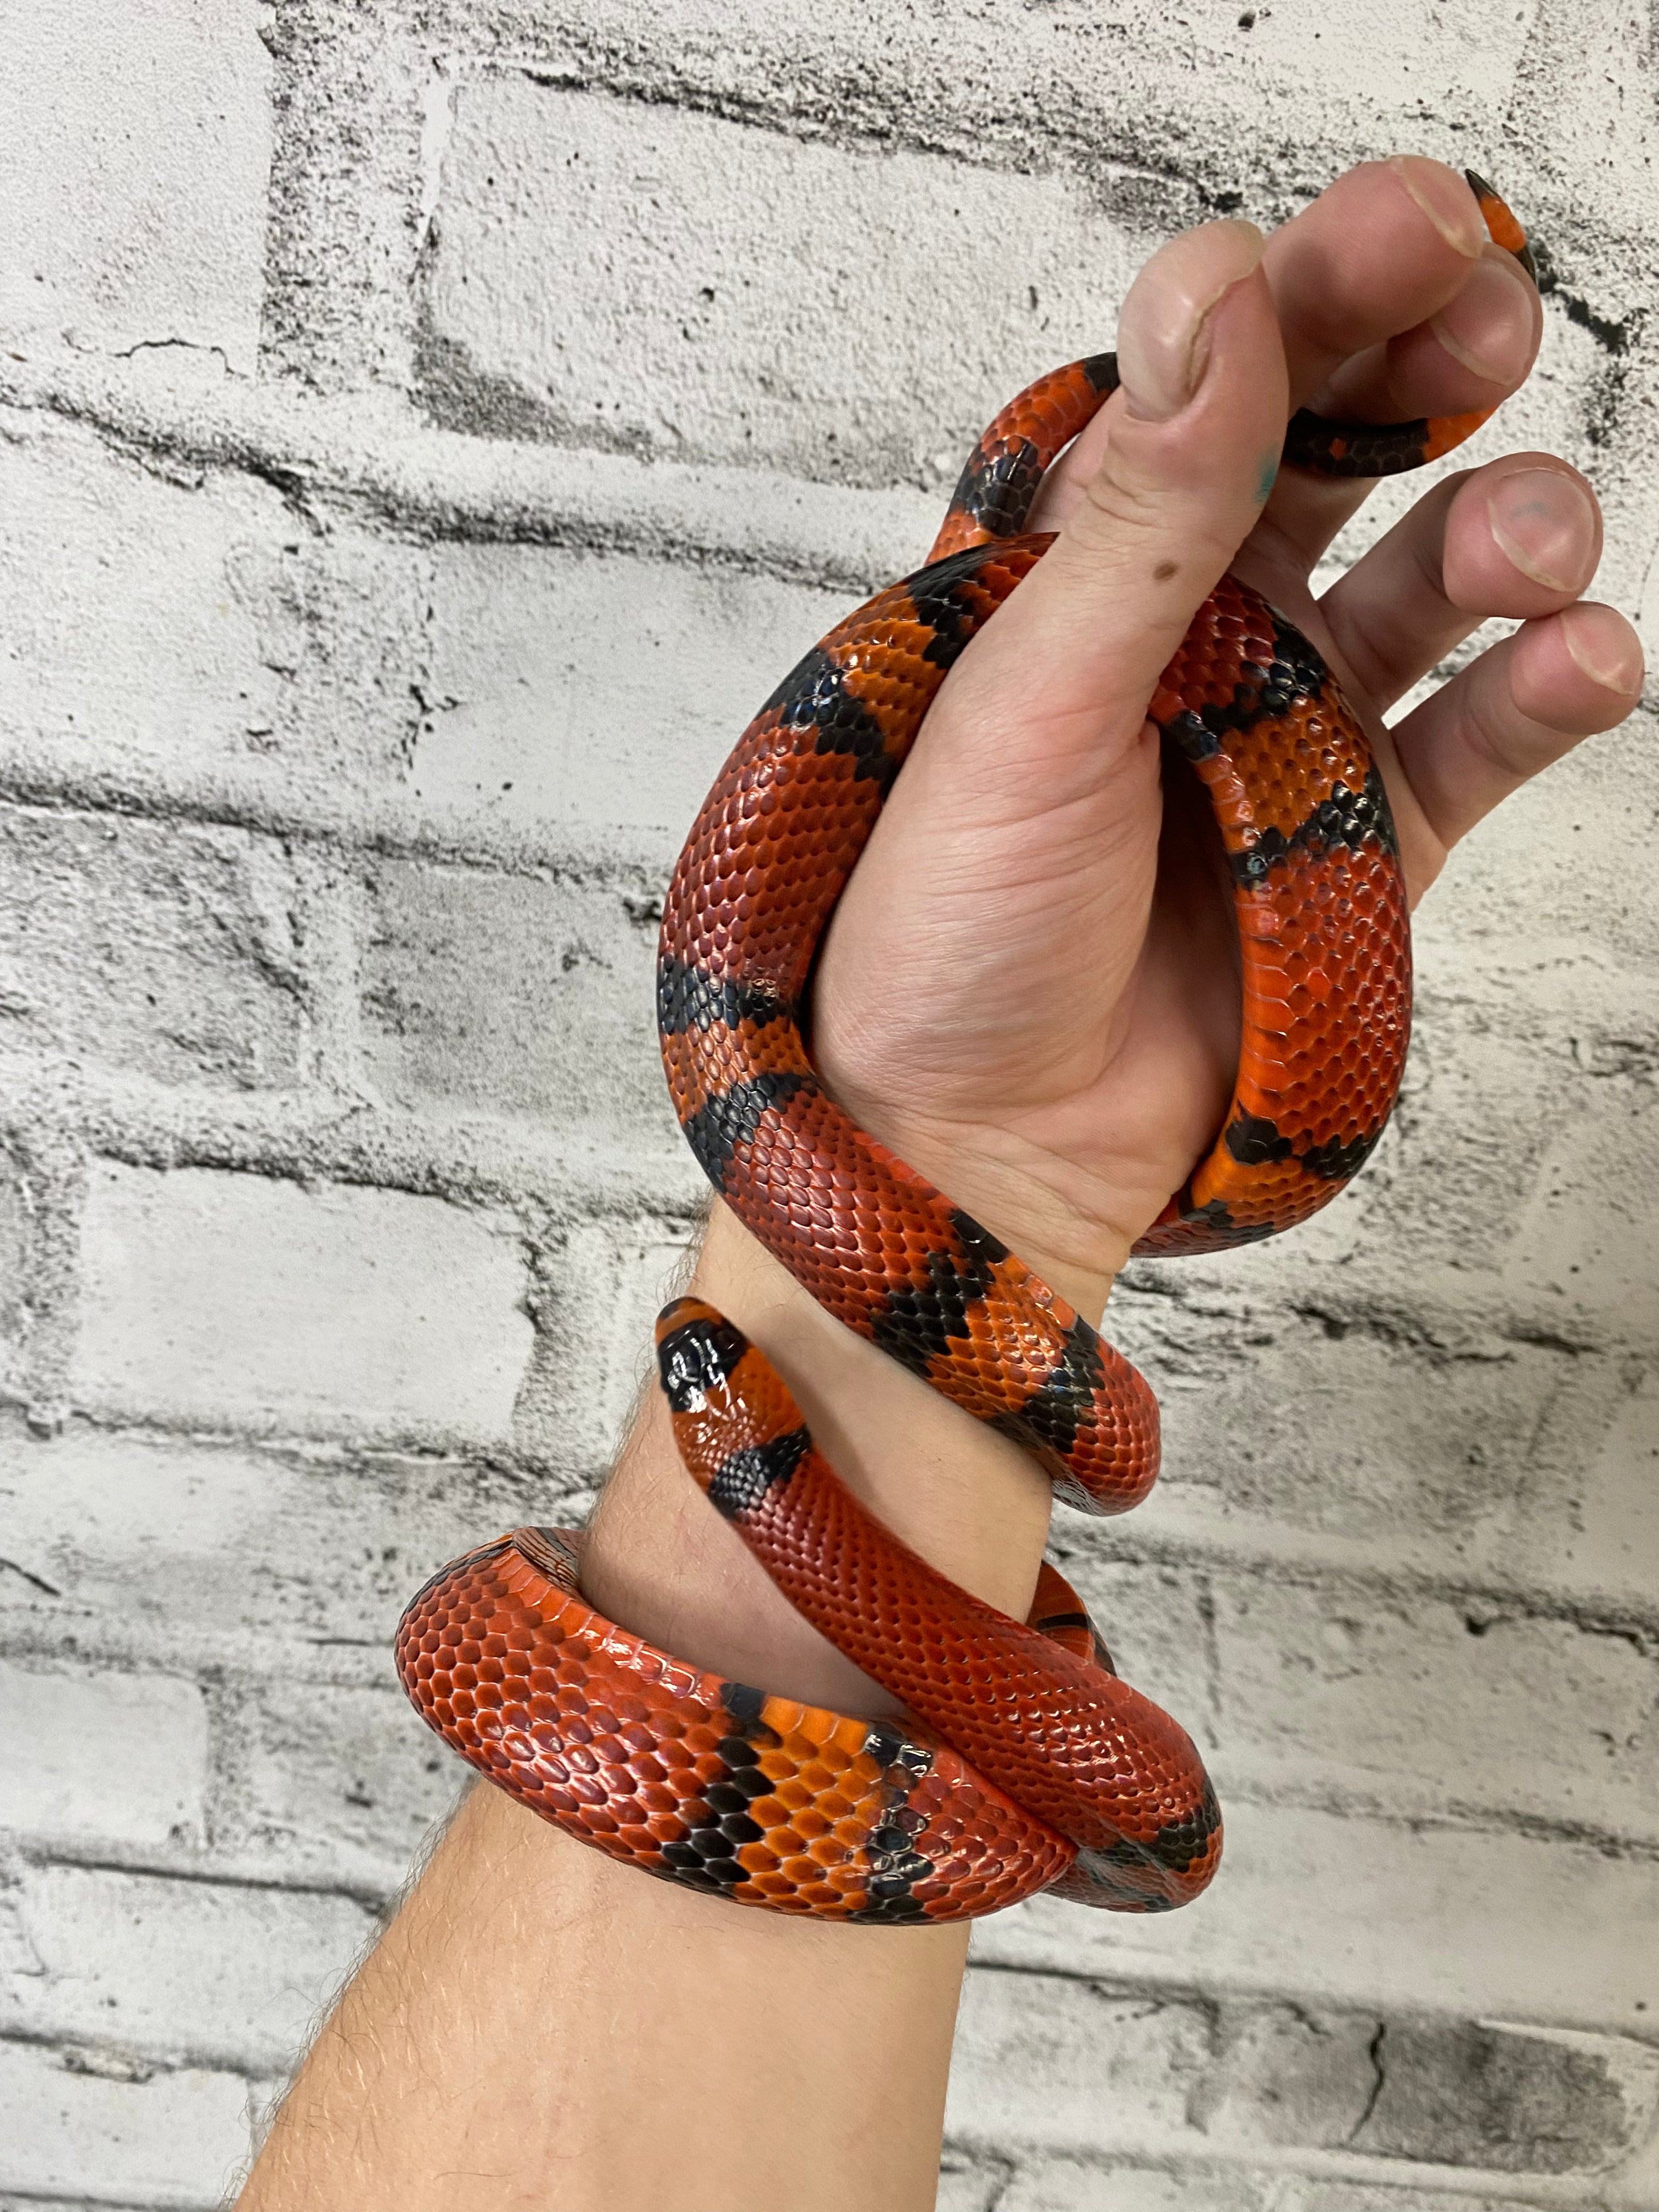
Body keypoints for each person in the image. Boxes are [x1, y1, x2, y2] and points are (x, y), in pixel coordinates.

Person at [236, 156, 1643, 2211]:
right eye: (744, 1433)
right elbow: (1132, 1823)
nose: (710, 1393)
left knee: (503, 1635)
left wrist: (953, 1183)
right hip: (931, 1359)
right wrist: (959, 1179)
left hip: (926, 1329)